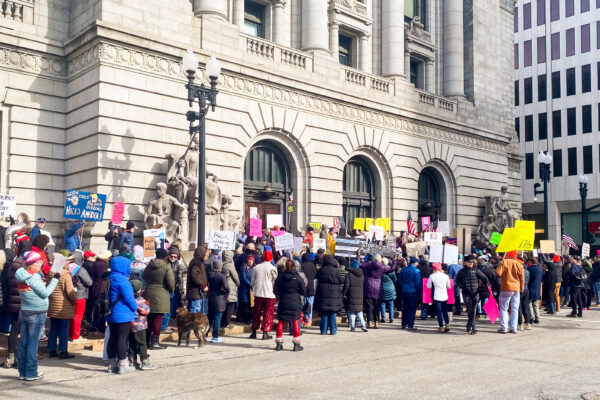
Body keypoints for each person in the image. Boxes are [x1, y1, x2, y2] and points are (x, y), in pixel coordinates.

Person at [15, 251, 59, 381]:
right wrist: (55, 279)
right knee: (32, 343)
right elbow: (46, 293)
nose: (41, 264)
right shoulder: (33, 277)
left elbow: (33, 289)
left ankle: (22, 372)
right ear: (31, 264)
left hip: (25, 310)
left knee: (23, 342)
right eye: (39, 262)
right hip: (36, 312)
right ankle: (31, 373)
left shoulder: (21, 273)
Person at [106, 256, 138, 374]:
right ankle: (123, 365)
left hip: (111, 312)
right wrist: (135, 308)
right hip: (123, 313)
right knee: (122, 339)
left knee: (112, 338)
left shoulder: (108, 278)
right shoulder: (123, 281)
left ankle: (111, 364)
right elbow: (129, 298)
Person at [2, 242, 29, 368]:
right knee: (23, 331)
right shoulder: (25, 265)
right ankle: (20, 358)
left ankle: (11, 357)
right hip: (23, 301)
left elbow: (7, 283)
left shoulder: (12, 265)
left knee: (14, 330)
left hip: (12, 301)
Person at [143, 248, 175, 350]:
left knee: (149, 317)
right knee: (158, 318)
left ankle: (147, 341)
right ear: (165, 256)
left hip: (150, 291)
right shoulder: (166, 266)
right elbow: (171, 282)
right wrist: (170, 290)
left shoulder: (149, 265)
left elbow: (144, 276)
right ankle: (155, 342)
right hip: (162, 292)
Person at [273, 259, 306, 351]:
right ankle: (296, 343)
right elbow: (303, 291)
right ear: (293, 267)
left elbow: (275, 290)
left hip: (283, 300)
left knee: (281, 321)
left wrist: (281, 293)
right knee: (295, 321)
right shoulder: (298, 277)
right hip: (295, 300)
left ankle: (279, 343)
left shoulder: (280, 277)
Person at [47, 260, 77, 359]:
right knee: (64, 330)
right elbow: (70, 292)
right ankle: (63, 351)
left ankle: (52, 350)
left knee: (54, 328)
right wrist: (74, 301)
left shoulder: (50, 274)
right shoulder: (65, 275)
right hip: (64, 306)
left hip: (53, 305)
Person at [127, 279, 157, 370]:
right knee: (141, 343)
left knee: (132, 344)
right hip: (139, 325)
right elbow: (146, 311)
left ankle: (132, 361)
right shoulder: (139, 300)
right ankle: (144, 361)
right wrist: (147, 305)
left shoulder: (128, 298)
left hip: (130, 325)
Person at [456, 255, 489, 335]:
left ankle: (469, 324)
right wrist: (462, 286)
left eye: (472, 262)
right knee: (469, 309)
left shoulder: (476, 270)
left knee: (473, 311)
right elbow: (457, 281)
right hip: (466, 293)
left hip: (475, 293)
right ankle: (474, 327)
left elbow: (484, 278)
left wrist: (488, 285)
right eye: (469, 262)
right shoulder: (461, 272)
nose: (471, 263)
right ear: (465, 263)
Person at [250, 249, 277, 340]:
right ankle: (265, 332)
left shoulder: (256, 267)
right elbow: (275, 281)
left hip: (258, 293)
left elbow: (252, 280)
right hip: (269, 293)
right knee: (268, 313)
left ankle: (254, 331)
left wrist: (254, 288)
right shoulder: (272, 268)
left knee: (256, 312)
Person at [361, 254, 394, 328]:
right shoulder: (382, 267)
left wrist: (358, 256)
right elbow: (392, 269)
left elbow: (359, 265)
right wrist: (394, 260)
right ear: (379, 260)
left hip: (368, 287)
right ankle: (376, 322)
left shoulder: (369, 264)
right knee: (376, 307)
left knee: (369, 307)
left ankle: (369, 322)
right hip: (377, 289)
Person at [496, 250, 525, 334]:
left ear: (508, 254)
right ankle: (513, 328)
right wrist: (521, 289)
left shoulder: (504, 262)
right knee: (515, 309)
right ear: (516, 255)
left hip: (506, 287)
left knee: (503, 308)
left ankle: (504, 327)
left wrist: (502, 264)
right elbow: (522, 279)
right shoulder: (519, 264)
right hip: (516, 288)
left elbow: (498, 273)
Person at [314, 255, 343, 335]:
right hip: (334, 294)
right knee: (333, 312)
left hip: (323, 293)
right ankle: (333, 330)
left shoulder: (321, 270)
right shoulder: (336, 270)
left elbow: (316, 277)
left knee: (324, 312)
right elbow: (341, 280)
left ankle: (323, 330)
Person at [162, 246, 186, 333]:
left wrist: (181, 286)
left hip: (176, 288)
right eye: (171, 256)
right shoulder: (165, 263)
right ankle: (164, 326)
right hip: (168, 289)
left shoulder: (178, 264)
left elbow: (181, 276)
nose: (173, 258)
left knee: (173, 308)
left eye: (175, 257)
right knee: (167, 308)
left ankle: (168, 324)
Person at [68, 260, 92, 342]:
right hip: (80, 294)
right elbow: (89, 282)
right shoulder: (80, 269)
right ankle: (75, 336)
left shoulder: (67, 267)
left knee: (71, 315)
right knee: (78, 316)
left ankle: (70, 334)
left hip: (69, 294)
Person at [207, 261, 229, 343]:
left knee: (209, 318)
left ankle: (205, 335)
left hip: (211, 297)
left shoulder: (209, 274)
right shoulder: (221, 276)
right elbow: (226, 287)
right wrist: (227, 292)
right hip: (219, 299)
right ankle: (215, 337)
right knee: (217, 319)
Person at [343, 260, 367, 332]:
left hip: (351, 294)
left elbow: (346, 285)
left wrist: (344, 293)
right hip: (360, 294)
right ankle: (363, 325)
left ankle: (353, 326)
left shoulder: (349, 274)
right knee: (359, 311)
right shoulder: (362, 274)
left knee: (351, 311)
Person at [427, 262, 451, 333]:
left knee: (438, 312)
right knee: (444, 311)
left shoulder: (432, 276)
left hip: (436, 295)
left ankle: (441, 326)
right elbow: (449, 286)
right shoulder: (446, 276)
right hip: (444, 295)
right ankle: (447, 324)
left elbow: (429, 286)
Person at [398, 257, 421, 331]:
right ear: (414, 263)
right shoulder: (416, 271)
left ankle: (403, 324)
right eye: (417, 262)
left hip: (404, 291)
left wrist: (403, 287)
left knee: (405, 308)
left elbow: (400, 280)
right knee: (412, 309)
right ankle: (410, 325)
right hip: (413, 292)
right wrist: (419, 293)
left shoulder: (403, 269)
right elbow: (418, 283)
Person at [186, 245, 209, 314]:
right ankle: (193, 324)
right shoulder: (196, 262)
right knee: (195, 311)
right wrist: (203, 285)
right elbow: (194, 275)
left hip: (197, 293)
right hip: (195, 292)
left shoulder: (198, 262)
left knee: (198, 310)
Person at [221, 250, 239, 329]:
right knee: (230, 306)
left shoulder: (221, 264)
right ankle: (226, 323)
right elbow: (235, 277)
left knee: (224, 306)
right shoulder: (230, 265)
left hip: (223, 287)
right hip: (230, 286)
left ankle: (222, 322)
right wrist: (238, 283)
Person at [237, 254, 254, 324]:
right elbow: (244, 278)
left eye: (252, 260)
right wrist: (251, 285)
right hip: (244, 289)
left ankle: (248, 318)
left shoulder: (253, 269)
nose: (250, 262)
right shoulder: (243, 268)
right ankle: (245, 319)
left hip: (250, 290)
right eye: (249, 260)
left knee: (250, 305)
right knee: (245, 304)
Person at [300, 252, 317, 324]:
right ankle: (309, 318)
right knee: (311, 302)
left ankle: (304, 316)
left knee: (304, 302)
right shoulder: (313, 265)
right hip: (311, 286)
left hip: (304, 286)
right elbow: (315, 275)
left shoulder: (302, 265)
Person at [379, 259, 396, 323]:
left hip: (383, 288)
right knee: (391, 304)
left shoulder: (380, 270)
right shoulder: (391, 270)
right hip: (391, 288)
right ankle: (391, 318)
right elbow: (394, 279)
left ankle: (383, 318)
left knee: (383, 304)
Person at [527, 258, 543, 324]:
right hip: (537, 288)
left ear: (531, 262)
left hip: (530, 287)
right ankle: (537, 318)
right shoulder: (540, 269)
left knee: (529, 303)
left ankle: (531, 317)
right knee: (535, 303)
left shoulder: (529, 269)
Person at [518, 262, 532, 331]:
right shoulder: (527, 272)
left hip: (520, 290)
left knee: (519, 307)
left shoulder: (519, 271)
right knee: (526, 307)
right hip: (526, 289)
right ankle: (528, 323)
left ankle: (520, 324)